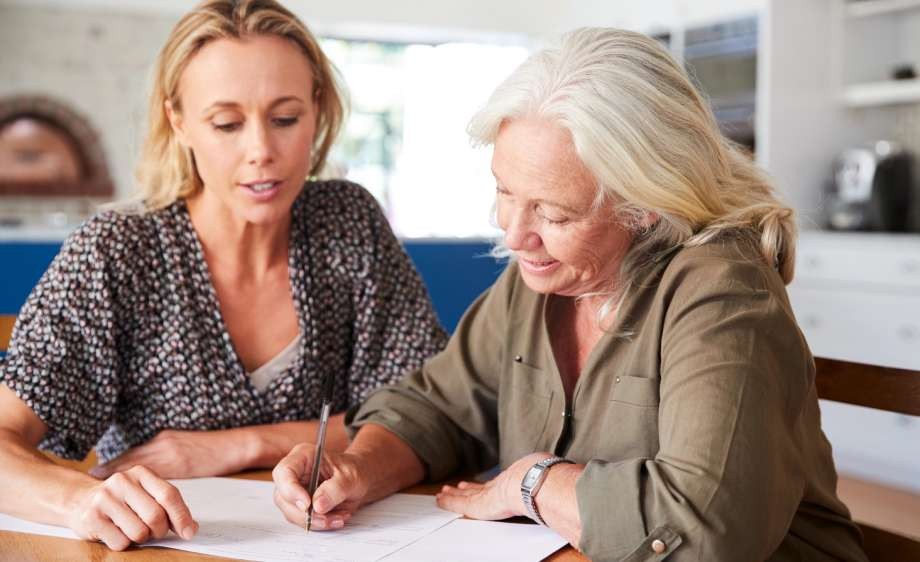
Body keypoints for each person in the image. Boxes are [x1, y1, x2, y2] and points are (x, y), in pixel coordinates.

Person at [273, 28, 869, 561]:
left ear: (646, 205)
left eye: (554, 214)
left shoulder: (723, 291)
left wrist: (534, 482)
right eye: (505, 191)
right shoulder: (541, 278)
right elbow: (438, 408)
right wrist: (357, 466)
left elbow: (705, 529)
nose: (513, 234)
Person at [0, 0, 445, 551]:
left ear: (318, 107)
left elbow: (433, 415)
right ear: (178, 121)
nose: (261, 151)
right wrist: (78, 500)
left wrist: (238, 445)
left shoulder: (348, 223)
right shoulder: (116, 252)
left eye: (285, 118)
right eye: (227, 123)